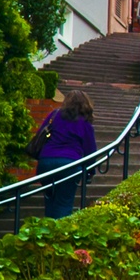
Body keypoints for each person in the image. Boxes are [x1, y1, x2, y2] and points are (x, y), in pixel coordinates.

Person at [33, 89, 97, 218]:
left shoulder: (54, 115)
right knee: (63, 203)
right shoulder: (84, 123)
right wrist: (90, 172)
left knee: (50, 201)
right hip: (69, 165)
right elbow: (90, 151)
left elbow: (40, 134)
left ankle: (47, 232)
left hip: (46, 162)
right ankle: (60, 235)